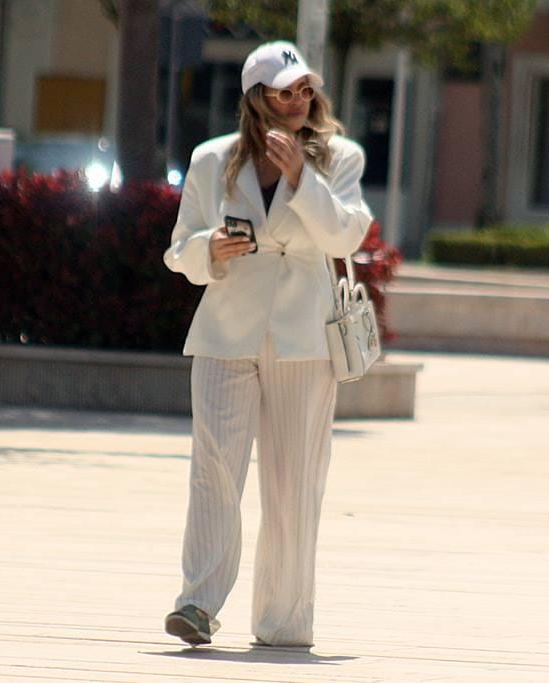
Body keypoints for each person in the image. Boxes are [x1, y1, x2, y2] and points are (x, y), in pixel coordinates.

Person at [162, 40, 373, 649]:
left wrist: (302, 177)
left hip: (305, 338)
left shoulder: (340, 158)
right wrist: (209, 250)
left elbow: (344, 237)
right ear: (258, 98)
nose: (298, 100)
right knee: (214, 471)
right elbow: (178, 250)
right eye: (285, 91)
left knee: (294, 482)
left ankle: (284, 620)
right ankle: (198, 603)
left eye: (305, 89)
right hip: (225, 330)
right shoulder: (212, 160)